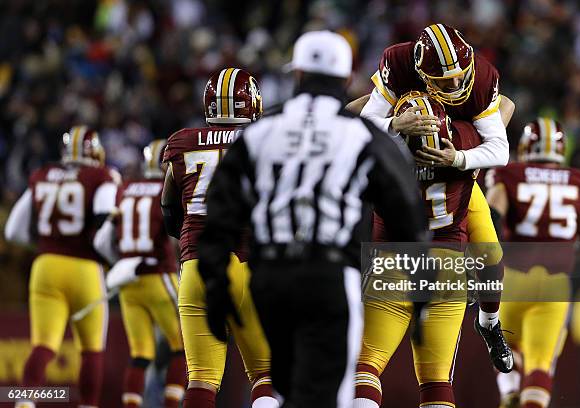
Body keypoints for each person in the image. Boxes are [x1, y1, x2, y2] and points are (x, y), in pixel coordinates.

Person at [197, 30, 428, 408]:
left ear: (298, 74)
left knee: (289, 389)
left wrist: (214, 282)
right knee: (327, 394)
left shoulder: (260, 131)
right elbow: (406, 212)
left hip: (270, 277)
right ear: (347, 78)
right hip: (330, 275)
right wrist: (421, 293)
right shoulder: (361, 135)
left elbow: (219, 212)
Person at [350, 22, 513, 374]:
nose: (455, 85)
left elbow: (501, 141)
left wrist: (461, 158)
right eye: (444, 80)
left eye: (460, 76)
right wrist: (395, 124)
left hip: (454, 179)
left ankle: (489, 323)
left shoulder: (482, 78)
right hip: (401, 178)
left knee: (491, 256)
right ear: (421, 74)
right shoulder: (398, 64)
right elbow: (359, 120)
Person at [354, 92, 485, 408]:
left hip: (393, 264)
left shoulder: (380, 161)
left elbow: (344, 116)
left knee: (366, 366)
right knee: (437, 379)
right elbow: (503, 105)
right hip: (448, 270)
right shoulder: (466, 149)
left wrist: (390, 106)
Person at [161, 68, 278, 408]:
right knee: (265, 375)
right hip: (248, 264)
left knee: (201, 379)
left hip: (197, 264)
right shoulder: (267, 139)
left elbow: (169, 211)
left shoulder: (181, 142)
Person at [487, 118, 580, 408]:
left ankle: (509, 392)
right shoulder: (579, 182)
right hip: (555, 283)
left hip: (512, 278)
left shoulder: (510, 175)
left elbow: (489, 223)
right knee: (540, 362)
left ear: (527, 147)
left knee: (505, 347)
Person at [4, 126, 120, 408]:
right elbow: (104, 224)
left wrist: (47, 245)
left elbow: (12, 231)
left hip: (45, 267)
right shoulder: (101, 177)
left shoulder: (43, 175)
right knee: (91, 349)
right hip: (84, 268)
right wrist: (113, 260)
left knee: (43, 345)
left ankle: (25, 402)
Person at [93, 139, 186, 408]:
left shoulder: (125, 189)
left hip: (128, 280)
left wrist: (124, 264)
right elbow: (178, 234)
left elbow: (102, 241)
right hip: (159, 274)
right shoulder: (166, 188)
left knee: (140, 354)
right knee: (182, 346)